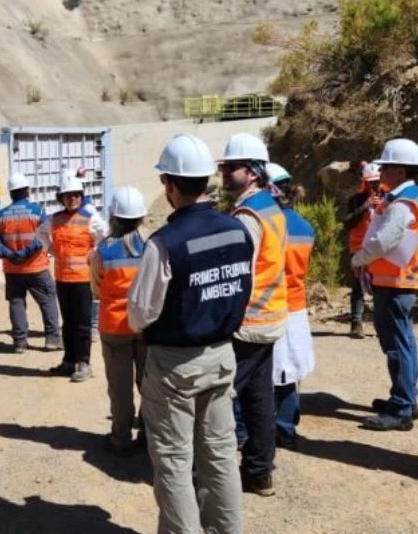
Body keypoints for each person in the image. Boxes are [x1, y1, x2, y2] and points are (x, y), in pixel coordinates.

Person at [129, 134, 254, 533]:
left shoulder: (164, 243)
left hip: (175, 365)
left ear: (169, 185)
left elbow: (140, 314)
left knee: (173, 462)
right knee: (219, 456)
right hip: (221, 356)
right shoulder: (238, 231)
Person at [218, 134, 288, 497]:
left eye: (232, 167)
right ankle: (260, 472)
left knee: (220, 393)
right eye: (224, 167)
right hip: (271, 317)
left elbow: (237, 272)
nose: (225, 173)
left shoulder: (248, 216)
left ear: (254, 172)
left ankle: (211, 475)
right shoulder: (271, 207)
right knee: (260, 399)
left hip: (248, 323)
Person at [352, 138, 418, 431]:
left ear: (399, 170)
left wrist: (360, 258)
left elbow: (384, 241)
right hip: (398, 281)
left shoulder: (403, 203)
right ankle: (405, 399)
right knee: (402, 342)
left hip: (397, 282)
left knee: (398, 344)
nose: (381, 170)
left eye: (386, 166)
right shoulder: (409, 198)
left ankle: (401, 407)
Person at [90, 185, 149, 453]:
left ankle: (121, 437)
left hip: (114, 326)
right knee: (149, 384)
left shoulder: (103, 251)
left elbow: (96, 288)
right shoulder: (153, 246)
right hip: (147, 326)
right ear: (141, 217)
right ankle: (149, 435)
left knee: (120, 386)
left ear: (113, 216)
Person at [265, 163, 316, 451]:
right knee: (290, 371)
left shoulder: (268, 224)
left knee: (265, 370)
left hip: (269, 305)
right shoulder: (305, 227)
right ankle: (286, 428)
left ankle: (252, 427)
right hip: (296, 306)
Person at [41, 172, 106, 382]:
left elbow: (105, 234)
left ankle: (83, 362)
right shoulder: (54, 219)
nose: (72, 199)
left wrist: (94, 251)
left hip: (82, 280)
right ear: (61, 198)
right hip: (63, 279)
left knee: (82, 323)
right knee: (68, 322)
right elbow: (40, 233)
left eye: (76, 195)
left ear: (81, 196)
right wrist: (50, 248)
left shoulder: (90, 217)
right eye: (68, 195)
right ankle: (69, 361)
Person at [0, 172, 63, 353]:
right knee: (47, 301)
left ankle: (20, 343)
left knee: (16, 303)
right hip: (36, 267)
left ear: (11, 193)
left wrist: (9, 254)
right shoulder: (37, 212)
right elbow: (42, 237)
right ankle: (52, 339)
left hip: (12, 269)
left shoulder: (0, 215)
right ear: (27, 191)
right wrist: (25, 253)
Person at [342, 162, 383, 338]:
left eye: (377, 182)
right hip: (359, 247)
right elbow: (347, 222)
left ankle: (381, 324)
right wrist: (364, 207)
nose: (374, 185)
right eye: (371, 182)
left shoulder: (387, 196)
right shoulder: (356, 199)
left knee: (380, 285)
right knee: (358, 286)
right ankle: (356, 323)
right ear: (365, 182)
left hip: (379, 246)